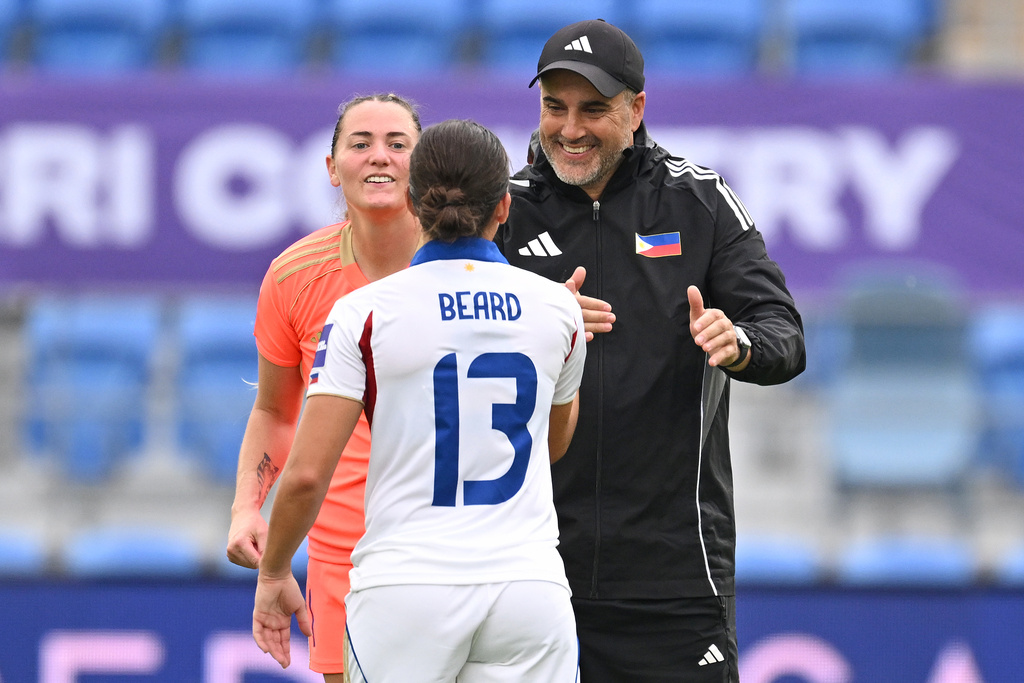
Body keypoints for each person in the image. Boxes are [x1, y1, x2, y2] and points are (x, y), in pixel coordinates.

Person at [493, 18, 807, 683]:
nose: (570, 128)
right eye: (556, 107)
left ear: (637, 109)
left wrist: (740, 341)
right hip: (532, 566)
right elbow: (440, 338)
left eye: (593, 109)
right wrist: (530, 319)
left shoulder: (700, 200)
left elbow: (785, 334)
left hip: (675, 576)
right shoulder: (504, 211)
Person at [251, 118, 587, 682]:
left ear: (411, 201)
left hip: (407, 586)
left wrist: (273, 572)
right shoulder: (559, 308)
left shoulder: (365, 312)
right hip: (527, 586)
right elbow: (551, 446)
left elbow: (308, 474)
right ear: (503, 207)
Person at [225, 93, 423, 679]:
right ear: (332, 167)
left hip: (451, 545)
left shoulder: (467, 268)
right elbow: (276, 412)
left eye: (397, 143)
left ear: (425, 162)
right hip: (344, 559)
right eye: (360, 144)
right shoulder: (293, 276)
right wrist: (246, 508)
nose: (378, 157)